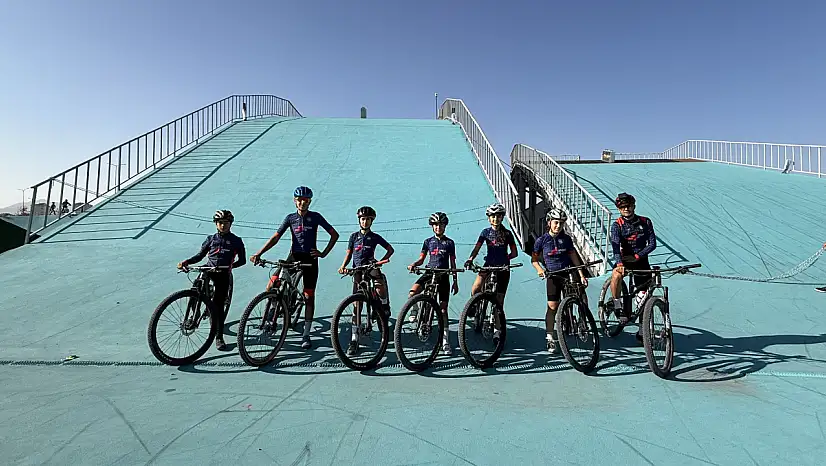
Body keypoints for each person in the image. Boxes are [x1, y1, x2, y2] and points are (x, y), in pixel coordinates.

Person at [250, 186, 339, 350]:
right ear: (294, 200)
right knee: (273, 283)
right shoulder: (290, 218)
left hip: (310, 259)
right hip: (294, 256)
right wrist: (259, 253)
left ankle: (306, 334)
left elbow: (335, 235)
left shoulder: (316, 217)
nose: (302, 203)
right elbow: (276, 237)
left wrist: (323, 253)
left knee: (308, 296)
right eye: (299, 199)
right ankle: (274, 309)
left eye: (305, 200)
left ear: (310, 201)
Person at [177, 210, 246, 351]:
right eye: (220, 223)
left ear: (230, 224)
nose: (223, 226)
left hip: (223, 273)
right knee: (196, 288)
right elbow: (200, 256)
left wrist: (229, 267)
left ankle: (219, 336)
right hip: (208, 269)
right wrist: (186, 262)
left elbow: (243, 261)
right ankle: (192, 316)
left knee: (218, 305)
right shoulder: (211, 239)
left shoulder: (236, 241)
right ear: (216, 224)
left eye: (226, 223)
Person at [338, 206, 395, 355]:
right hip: (357, 269)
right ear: (359, 220)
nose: (365, 222)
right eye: (363, 219)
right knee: (357, 306)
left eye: (368, 219)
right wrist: (343, 266)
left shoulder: (374, 237)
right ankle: (354, 339)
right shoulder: (353, 237)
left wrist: (380, 261)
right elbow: (349, 254)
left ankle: (384, 303)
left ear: (372, 221)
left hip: (371, 265)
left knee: (378, 281)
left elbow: (390, 249)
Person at [531, 208, 588, 354]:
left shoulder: (566, 239)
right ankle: (550, 336)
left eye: (561, 223)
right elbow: (534, 260)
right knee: (552, 307)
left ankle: (583, 323)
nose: (558, 226)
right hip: (553, 275)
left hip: (568, 272)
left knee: (580, 295)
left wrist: (581, 274)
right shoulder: (541, 240)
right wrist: (539, 270)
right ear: (549, 222)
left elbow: (574, 256)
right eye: (556, 222)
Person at [464, 203, 519, 344]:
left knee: (498, 303)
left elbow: (514, 252)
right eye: (492, 216)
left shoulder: (507, 234)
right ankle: (475, 306)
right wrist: (471, 259)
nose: (495, 219)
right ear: (489, 218)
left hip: (502, 268)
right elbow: (477, 248)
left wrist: (506, 259)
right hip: (488, 265)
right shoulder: (485, 232)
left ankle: (497, 331)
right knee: (476, 287)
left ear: (502, 217)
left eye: (498, 216)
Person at [407, 212, 460, 355]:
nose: (438, 227)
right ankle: (415, 310)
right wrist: (414, 264)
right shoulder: (428, 241)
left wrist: (455, 281)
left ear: (445, 226)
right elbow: (421, 259)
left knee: (443, 310)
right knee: (412, 293)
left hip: (443, 276)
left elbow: (453, 263)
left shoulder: (450, 243)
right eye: (435, 225)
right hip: (429, 272)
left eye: (441, 225)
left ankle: (445, 341)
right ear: (432, 226)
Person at [608, 192, 656, 342]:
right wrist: (620, 263)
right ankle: (617, 304)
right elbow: (615, 246)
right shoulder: (617, 225)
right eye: (622, 207)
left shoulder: (645, 221)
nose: (626, 209)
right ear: (619, 209)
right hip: (625, 258)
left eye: (628, 206)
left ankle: (643, 330)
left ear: (634, 206)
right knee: (615, 275)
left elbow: (652, 244)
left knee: (645, 296)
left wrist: (639, 255)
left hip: (641, 258)